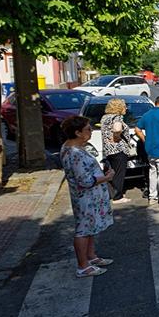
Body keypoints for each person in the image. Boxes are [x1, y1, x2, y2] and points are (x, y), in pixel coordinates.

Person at [60, 115, 115, 278]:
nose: (91, 132)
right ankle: (83, 266)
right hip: (85, 197)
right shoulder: (74, 152)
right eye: (88, 129)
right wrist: (106, 178)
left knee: (90, 227)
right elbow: (84, 180)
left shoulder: (74, 147)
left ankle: (91, 256)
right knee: (83, 229)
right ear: (77, 132)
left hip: (91, 196)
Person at [100, 98, 131, 204]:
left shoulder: (105, 117)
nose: (125, 107)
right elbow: (117, 129)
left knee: (112, 172)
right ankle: (118, 197)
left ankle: (114, 193)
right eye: (124, 105)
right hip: (118, 149)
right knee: (119, 173)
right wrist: (116, 137)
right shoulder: (117, 117)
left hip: (108, 150)